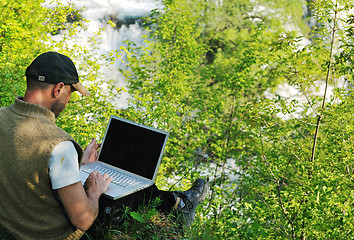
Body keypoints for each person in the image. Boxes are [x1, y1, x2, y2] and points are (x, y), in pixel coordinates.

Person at [0, 52, 208, 240]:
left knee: (126, 182)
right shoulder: (58, 145)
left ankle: (179, 203)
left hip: (12, 225)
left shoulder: (2, 118)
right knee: (131, 189)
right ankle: (180, 205)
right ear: (59, 89)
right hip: (52, 233)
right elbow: (83, 220)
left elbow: (28, 167)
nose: (69, 100)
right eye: (71, 92)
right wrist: (94, 192)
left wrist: (76, 165)